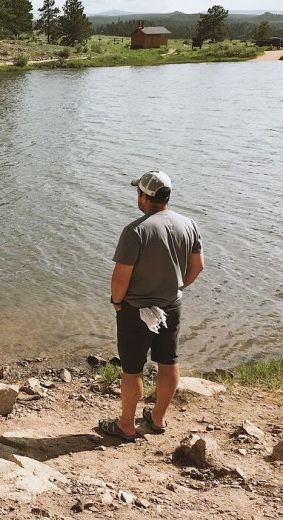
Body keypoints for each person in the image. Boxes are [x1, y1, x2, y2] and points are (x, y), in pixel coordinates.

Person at [99, 171, 204, 441]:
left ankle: (126, 425)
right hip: (171, 305)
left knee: (132, 368)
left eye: (139, 193)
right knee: (168, 362)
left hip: (136, 309)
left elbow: (120, 277)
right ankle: (158, 417)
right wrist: (178, 288)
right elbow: (197, 266)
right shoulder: (189, 224)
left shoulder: (135, 231)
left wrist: (117, 302)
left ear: (145, 197)